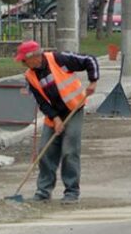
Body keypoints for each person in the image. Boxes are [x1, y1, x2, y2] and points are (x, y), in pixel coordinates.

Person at [15, 40, 99, 204]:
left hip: (74, 109)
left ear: (35, 56)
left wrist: (93, 81)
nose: (23, 62)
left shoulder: (59, 59)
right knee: (45, 151)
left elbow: (90, 60)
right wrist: (56, 118)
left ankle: (72, 192)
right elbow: (42, 102)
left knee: (69, 150)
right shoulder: (30, 76)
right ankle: (43, 191)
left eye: (25, 59)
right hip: (53, 116)